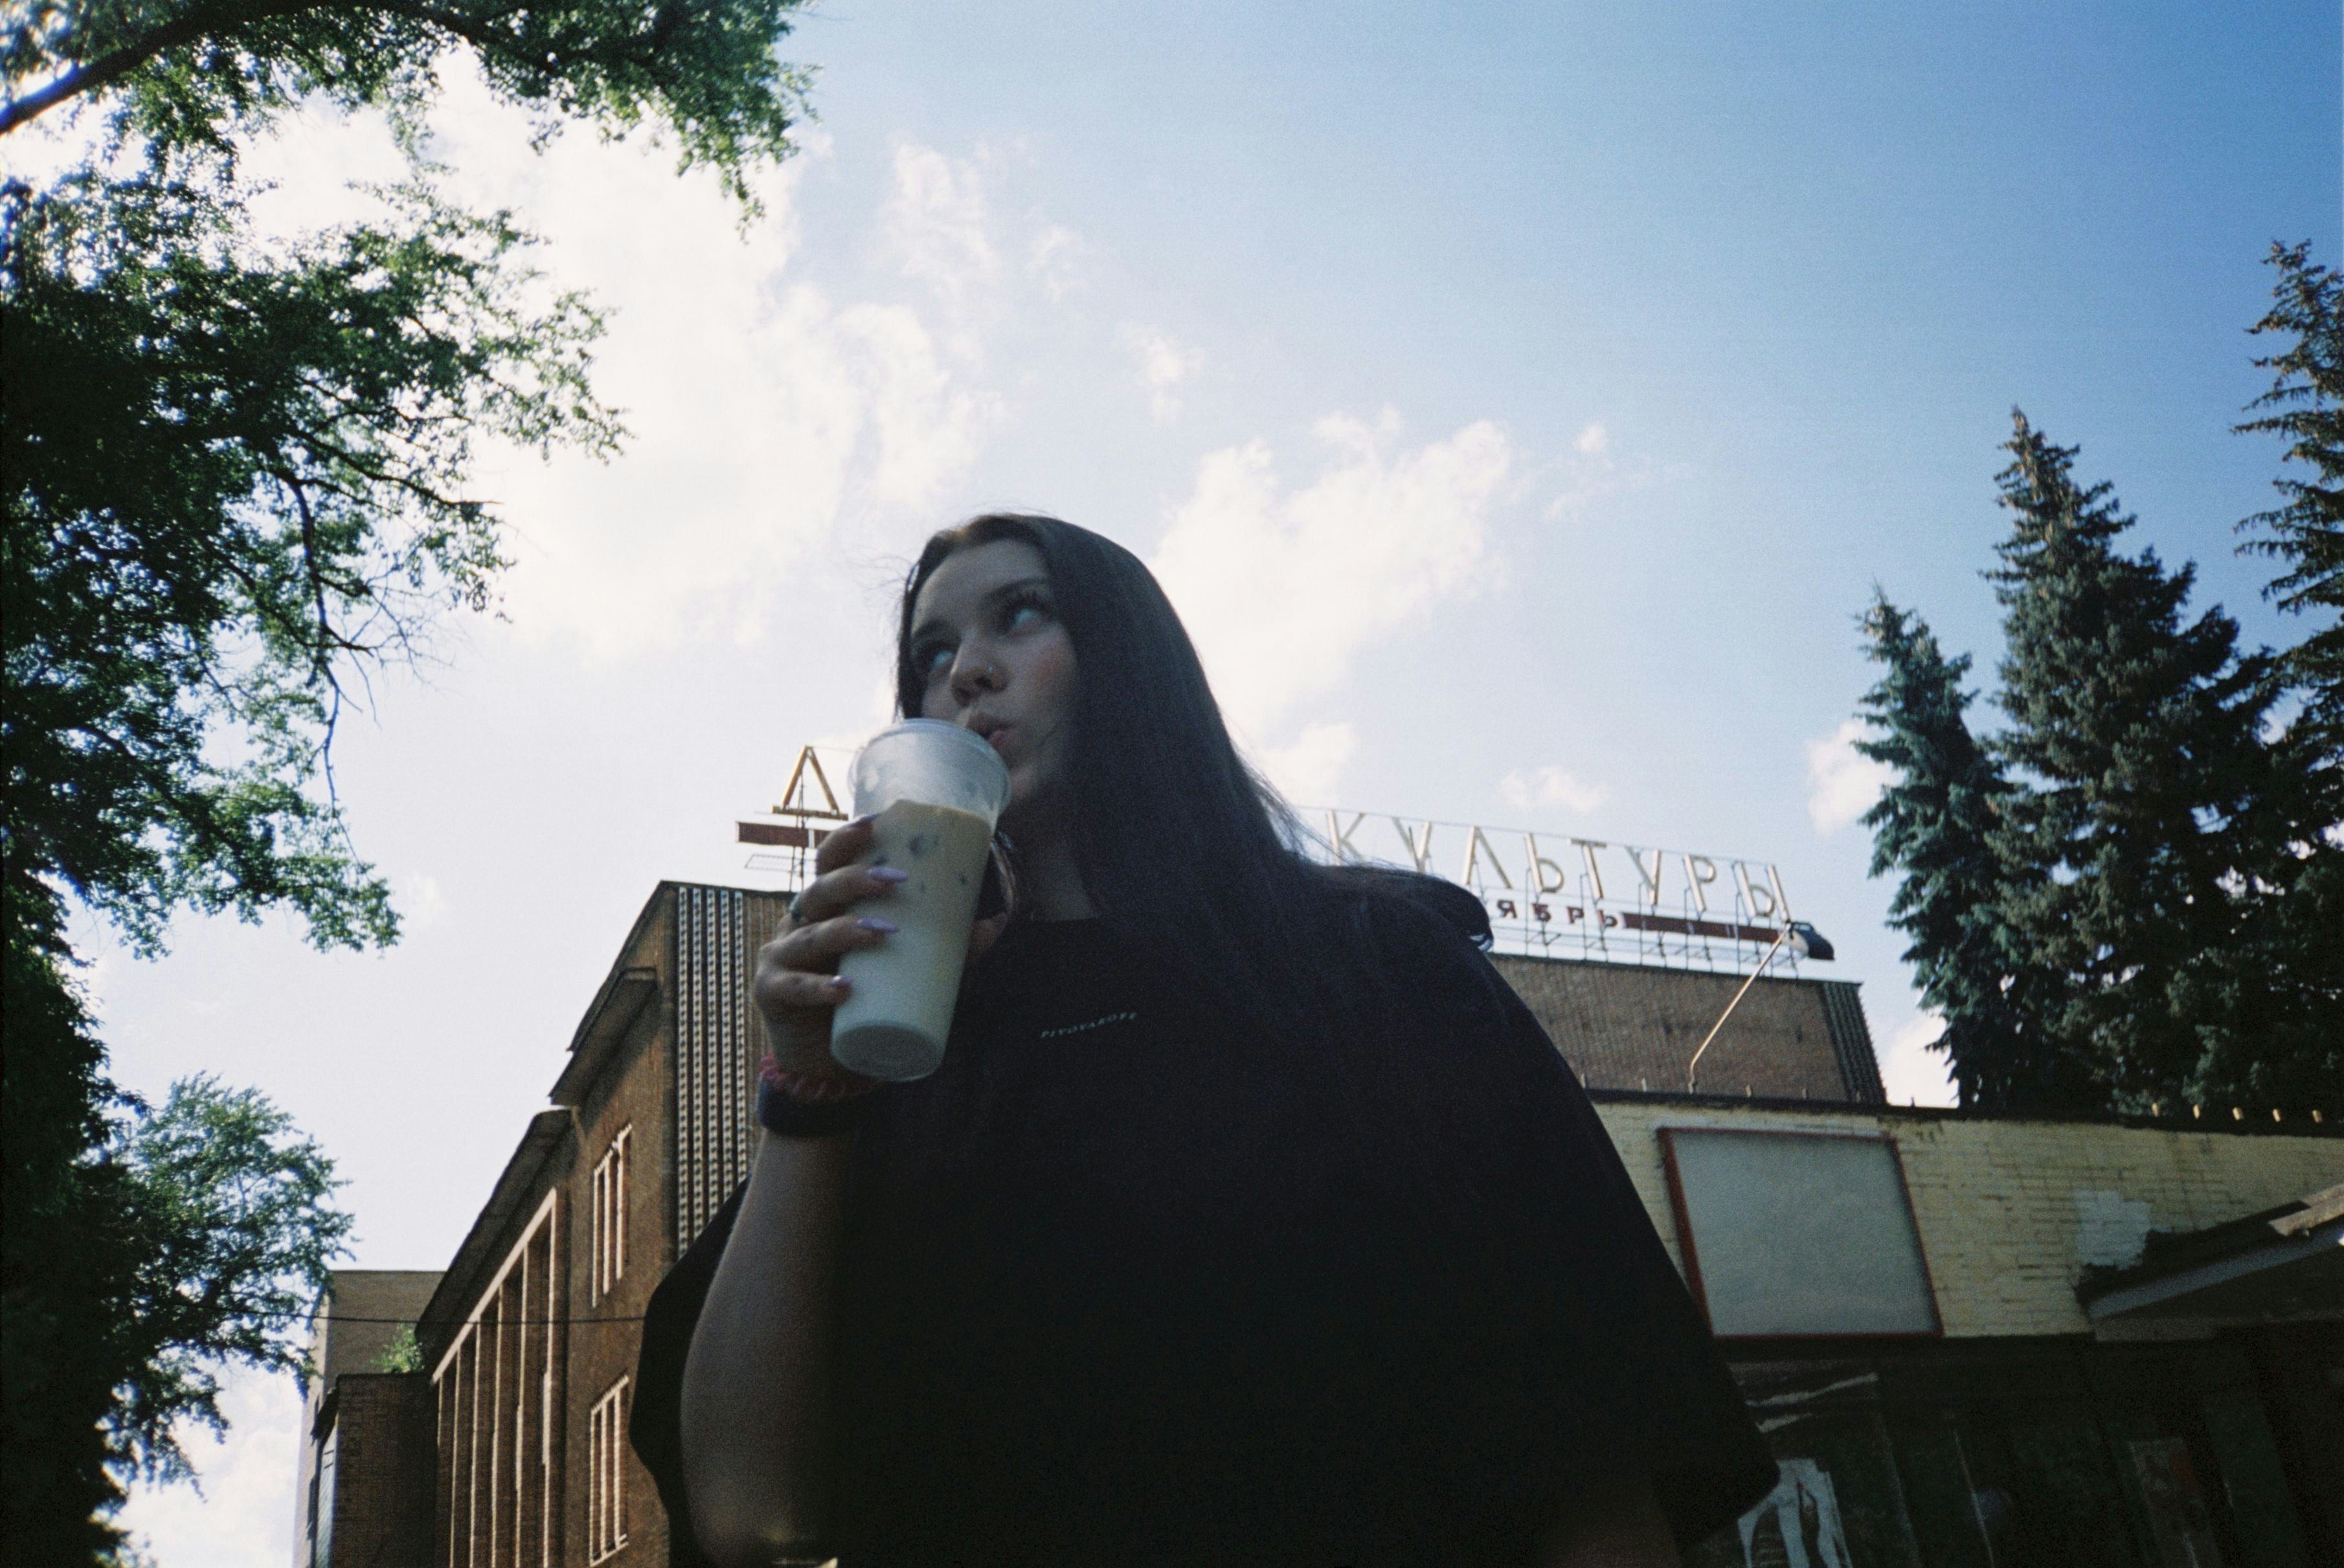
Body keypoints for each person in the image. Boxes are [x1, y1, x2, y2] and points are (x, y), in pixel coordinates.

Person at [629, 513, 1775, 1567]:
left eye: (1019, 614)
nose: (964, 671)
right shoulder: (911, 1058)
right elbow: (747, 1513)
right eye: (931, 653)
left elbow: (1595, 1455)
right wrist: (809, 1089)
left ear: (1133, 661)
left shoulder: (1378, 972)